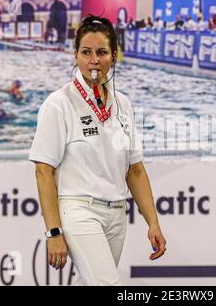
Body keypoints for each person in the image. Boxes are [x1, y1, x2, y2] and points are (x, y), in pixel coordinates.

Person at [29, 15, 166, 286]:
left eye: (102, 52)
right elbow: (43, 171)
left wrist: (153, 222)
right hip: (78, 210)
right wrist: (54, 232)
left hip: (117, 213)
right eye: (86, 52)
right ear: (76, 55)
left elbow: (135, 170)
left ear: (113, 56)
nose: (94, 60)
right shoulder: (59, 103)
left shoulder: (123, 104)